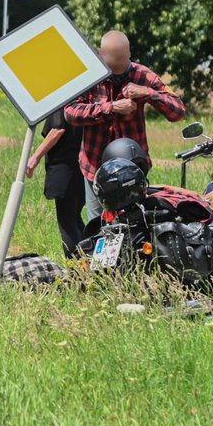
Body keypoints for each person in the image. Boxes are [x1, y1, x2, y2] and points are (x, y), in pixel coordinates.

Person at [65, 30, 185, 219]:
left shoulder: (142, 75)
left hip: (133, 169)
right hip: (96, 166)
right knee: (98, 224)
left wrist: (147, 92)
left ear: (129, 53)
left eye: (124, 63)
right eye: (114, 67)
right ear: (101, 54)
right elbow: (70, 112)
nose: (120, 71)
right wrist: (111, 107)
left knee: (134, 222)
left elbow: (178, 112)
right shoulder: (89, 76)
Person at [27, 103, 85, 257]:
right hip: (81, 165)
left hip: (65, 167)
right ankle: (88, 261)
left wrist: (35, 157)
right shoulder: (82, 97)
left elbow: (58, 129)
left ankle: (76, 266)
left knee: (67, 224)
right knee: (75, 219)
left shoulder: (64, 99)